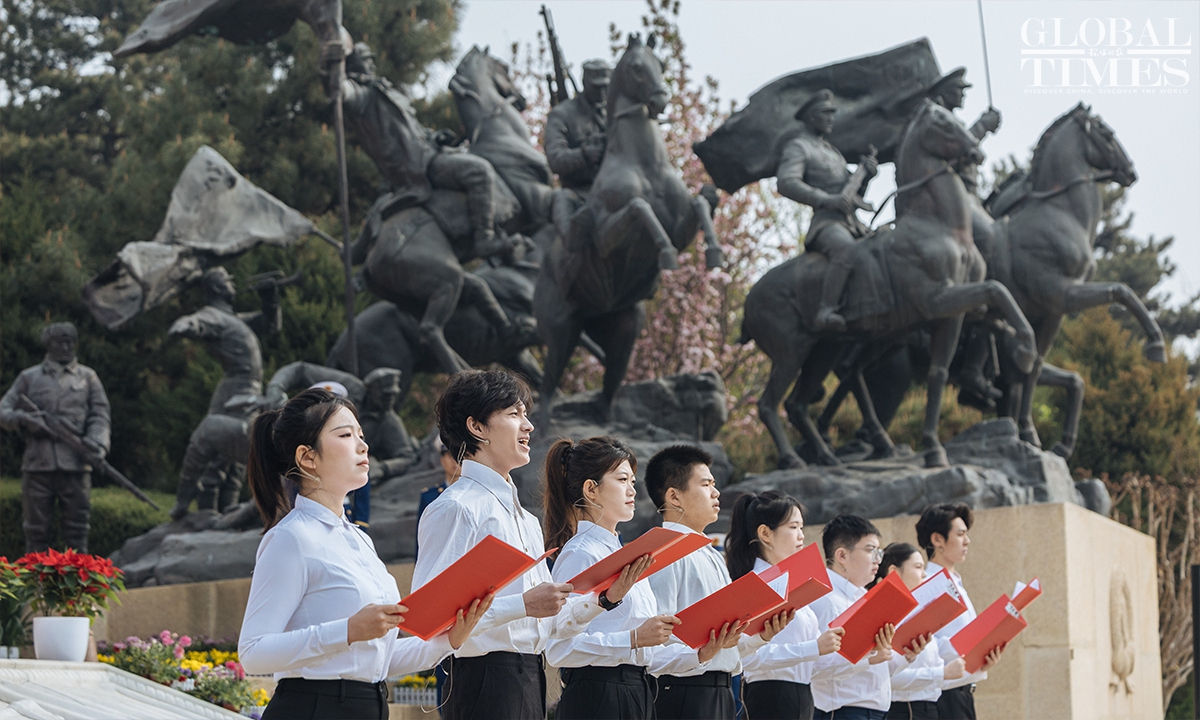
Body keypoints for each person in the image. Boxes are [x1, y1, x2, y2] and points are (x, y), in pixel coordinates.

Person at [237, 388, 491, 720]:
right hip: (313, 707)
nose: (363, 445)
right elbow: (253, 652)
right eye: (345, 435)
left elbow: (378, 658)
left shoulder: (359, 540)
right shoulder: (291, 538)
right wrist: (348, 630)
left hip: (369, 703)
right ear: (307, 457)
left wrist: (447, 641)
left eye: (361, 434)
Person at [413, 370, 643, 720]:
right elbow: (430, 617)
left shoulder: (525, 519)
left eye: (526, 414)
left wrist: (603, 600)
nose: (528, 425)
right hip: (484, 681)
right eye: (514, 414)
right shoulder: (456, 507)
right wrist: (522, 605)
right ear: (477, 427)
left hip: (531, 677)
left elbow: (546, 622)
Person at [544, 436, 727, 720]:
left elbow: (645, 655)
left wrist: (700, 655)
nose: (632, 490)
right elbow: (559, 649)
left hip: (637, 691)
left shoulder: (627, 555)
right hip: (597, 696)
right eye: (622, 480)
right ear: (591, 489)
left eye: (632, 480)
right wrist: (632, 638)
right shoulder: (580, 553)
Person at [644, 445, 789, 720]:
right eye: (706, 484)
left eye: (714, 484)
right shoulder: (664, 552)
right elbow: (654, 646)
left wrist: (761, 636)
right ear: (674, 496)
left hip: (721, 690)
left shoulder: (710, 553)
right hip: (684, 692)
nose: (716, 492)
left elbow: (723, 648)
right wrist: (701, 652)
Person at [335, 39, 510, 259]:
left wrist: (435, 137)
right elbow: (340, 90)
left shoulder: (383, 90)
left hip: (430, 152)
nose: (370, 64)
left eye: (370, 60)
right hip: (419, 166)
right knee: (480, 171)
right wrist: (334, 67)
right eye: (364, 60)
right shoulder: (362, 96)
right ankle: (484, 239)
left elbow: (412, 131)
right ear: (352, 66)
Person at [169, 266, 281, 518]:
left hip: (249, 389)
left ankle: (227, 507)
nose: (233, 283)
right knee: (221, 449)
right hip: (235, 389)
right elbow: (196, 322)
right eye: (227, 280)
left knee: (239, 454)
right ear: (217, 288)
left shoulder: (233, 318)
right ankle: (206, 508)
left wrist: (270, 299)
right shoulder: (213, 315)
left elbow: (270, 325)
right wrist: (184, 325)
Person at [726, 490, 845, 720]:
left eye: (801, 527)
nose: (801, 535)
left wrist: (866, 652)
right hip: (769, 698)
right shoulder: (754, 585)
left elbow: (811, 661)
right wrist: (813, 648)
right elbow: (748, 657)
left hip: (802, 696)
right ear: (765, 533)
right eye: (793, 527)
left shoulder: (792, 581)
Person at [1, 322, 111, 553]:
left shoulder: (88, 377)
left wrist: (98, 443)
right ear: (48, 344)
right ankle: (35, 577)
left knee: (78, 534)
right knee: (36, 533)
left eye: (70, 342)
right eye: (60, 342)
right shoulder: (29, 377)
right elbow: (4, 410)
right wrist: (23, 419)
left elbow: (100, 415)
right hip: (38, 467)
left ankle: (78, 577)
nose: (66, 347)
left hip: (76, 465)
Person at [776, 89, 878, 331]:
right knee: (845, 249)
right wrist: (826, 200)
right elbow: (786, 182)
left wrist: (866, 177)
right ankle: (826, 310)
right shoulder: (799, 147)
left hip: (853, 222)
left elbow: (851, 196)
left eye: (832, 113)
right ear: (812, 117)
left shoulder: (833, 152)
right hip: (827, 223)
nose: (832, 118)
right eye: (826, 113)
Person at [917, 504, 1001, 720]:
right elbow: (922, 644)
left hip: (964, 692)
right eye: (960, 534)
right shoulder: (927, 586)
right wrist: (963, 645)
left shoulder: (956, 583)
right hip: (942, 697)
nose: (967, 541)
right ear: (937, 539)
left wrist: (983, 657)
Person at [809, 515, 897, 720]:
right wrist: (868, 657)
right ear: (842, 555)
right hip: (844, 711)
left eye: (879, 552)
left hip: (874, 711)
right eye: (870, 550)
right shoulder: (826, 599)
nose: (878, 559)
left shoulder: (863, 596)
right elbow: (815, 667)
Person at [872, 543, 966, 720]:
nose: (924, 574)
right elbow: (886, 676)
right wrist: (941, 673)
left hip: (930, 708)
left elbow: (936, 671)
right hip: (904, 710)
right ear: (894, 571)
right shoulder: (885, 616)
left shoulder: (921, 614)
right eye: (918, 567)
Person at [544, 60, 612, 239]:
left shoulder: (615, 113)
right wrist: (584, 156)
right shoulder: (562, 114)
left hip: (615, 188)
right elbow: (555, 158)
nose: (602, 92)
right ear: (584, 83)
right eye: (596, 87)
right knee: (561, 201)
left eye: (605, 87)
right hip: (580, 193)